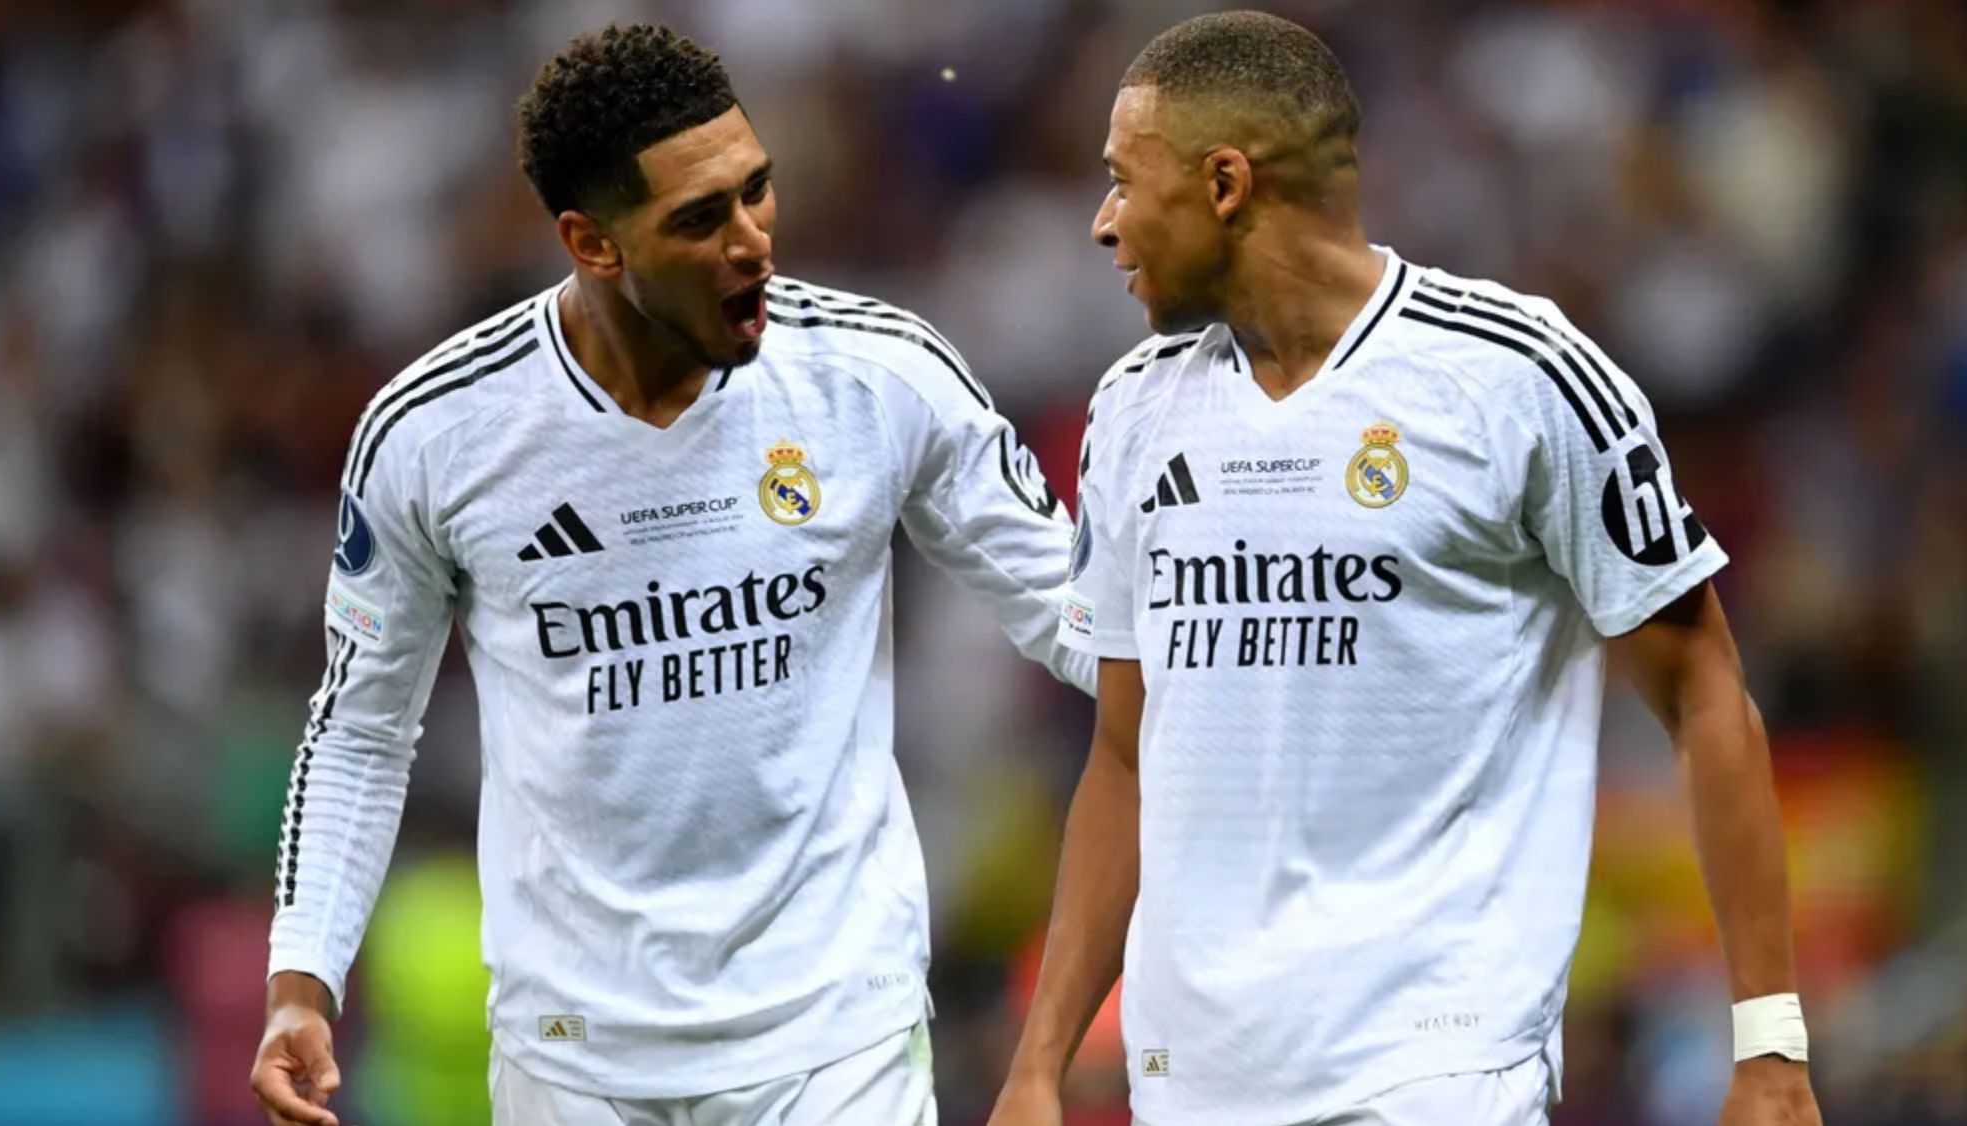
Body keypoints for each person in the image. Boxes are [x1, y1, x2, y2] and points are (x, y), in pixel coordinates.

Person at [250, 23, 1094, 1126]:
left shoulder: (878, 377)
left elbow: (1088, 626)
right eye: (699, 219)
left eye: (756, 190)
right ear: (591, 243)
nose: (752, 242)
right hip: (575, 1057)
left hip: (836, 1037)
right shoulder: (439, 434)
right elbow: (361, 728)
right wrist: (301, 982)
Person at [989, 12, 1823, 1126]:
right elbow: (1123, 756)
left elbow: (1705, 691)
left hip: (1435, 1073)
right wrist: (1039, 1063)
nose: (1102, 223)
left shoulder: (1517, 378)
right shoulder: (1134, 410)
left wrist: (1769, 1043)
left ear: (1224, 183)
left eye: (1121, 182)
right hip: (1191, 1080)